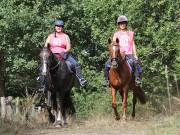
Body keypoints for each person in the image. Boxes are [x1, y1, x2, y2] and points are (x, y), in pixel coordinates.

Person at [43, 19, 87, 87]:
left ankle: (81, 79)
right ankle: (42, 81)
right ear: (55, 27)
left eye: (60, 26)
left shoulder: (66, 36)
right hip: (51, 55)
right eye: (57, 26)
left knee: (76, 64)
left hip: (63, 54)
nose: (59, 27)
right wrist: (48, 53)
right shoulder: (50, 36)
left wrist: (64, 52)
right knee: (43, 64)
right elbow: (46, 46)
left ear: (62, 27)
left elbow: (69, 48)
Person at [105, 15, 142, 86]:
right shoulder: (116, 34)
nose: (122, 24)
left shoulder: (131, 33)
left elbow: (133, 44)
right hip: (118, 54)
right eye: (120, 23)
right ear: (119, 25)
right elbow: (113, 45)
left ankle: (137, 79)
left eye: (123, 23)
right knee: (107, 64)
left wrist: (135, 54)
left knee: (136, 63)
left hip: (129, 53)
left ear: (126, 24)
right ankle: (107, 80)